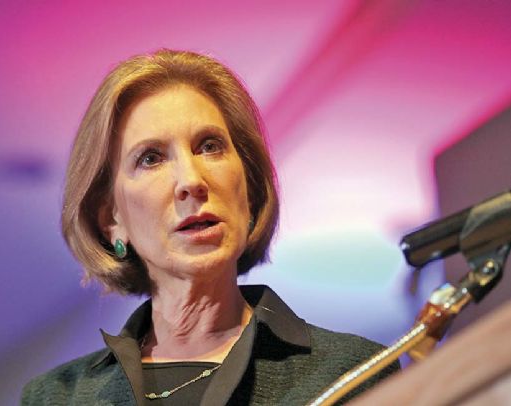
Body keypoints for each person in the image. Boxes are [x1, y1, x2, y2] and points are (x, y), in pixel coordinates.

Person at [21, 49, 399, 405]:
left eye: (209, 146)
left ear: (247, 189)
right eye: (151, 158)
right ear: (112, 221)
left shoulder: (355, 373)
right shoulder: (56, 396)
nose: (191, 180)